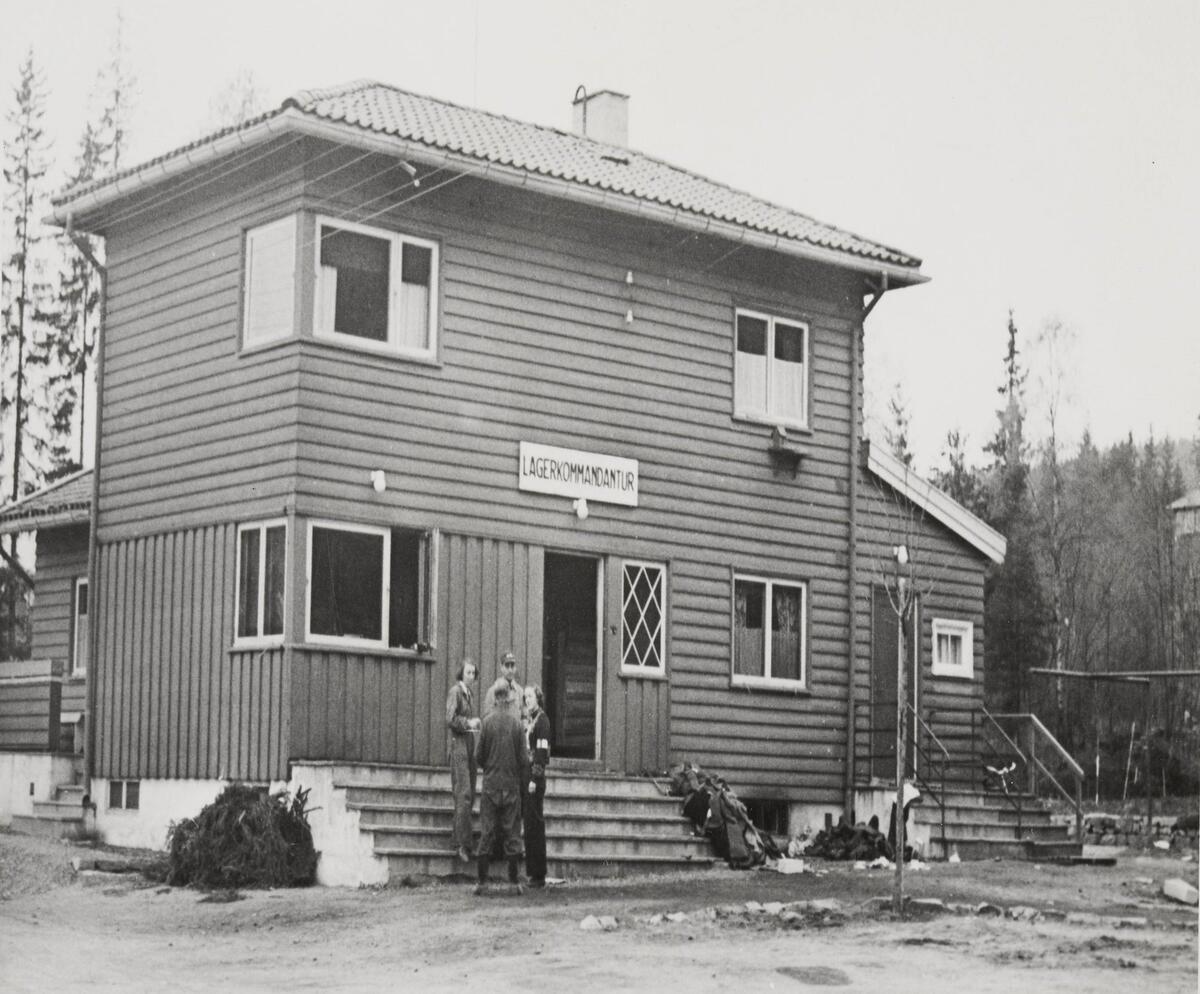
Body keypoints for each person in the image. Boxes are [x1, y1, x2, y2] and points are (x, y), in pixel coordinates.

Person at [474, 683, 527, 895]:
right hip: (511, 786)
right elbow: (523, 759)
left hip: (491, 786)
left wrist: (490, 767)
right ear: (510, 700)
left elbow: (478, 757)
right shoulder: (516, 725)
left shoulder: (486, 723)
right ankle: (514, 883)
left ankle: (482, 882)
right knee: (512, 834)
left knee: (487, 832)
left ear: (495, 699)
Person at [445, 658, 480, 862]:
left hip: (468, 744)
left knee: (468, 793)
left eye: (473, 673)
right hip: (458, 744)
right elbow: (450, 719)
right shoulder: (456, 692)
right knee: (463, 793)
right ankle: (462, 845)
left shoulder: (469, 694)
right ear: (461, 673)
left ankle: (459, 840)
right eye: (468, 672)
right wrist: (469, 722)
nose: (471, 676)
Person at [522, 684, 551, 888]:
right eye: (525, 697)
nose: (527, 700)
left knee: (536, 824)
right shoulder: (530, 720)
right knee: (529, 825)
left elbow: (541, 755)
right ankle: (532, 872)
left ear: (538, 698)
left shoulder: (543, 721)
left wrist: (534, 779)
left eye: (530, 696)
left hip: (535, 779)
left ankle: (539, 874)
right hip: (526, 776)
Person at [483, 650, 525, 723]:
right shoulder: (493, 691)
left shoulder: (520, 691)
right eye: (507, 666)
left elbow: (524, 715)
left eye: (512, 666)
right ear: (501, 667)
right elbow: (487, 718)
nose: (510, 670)